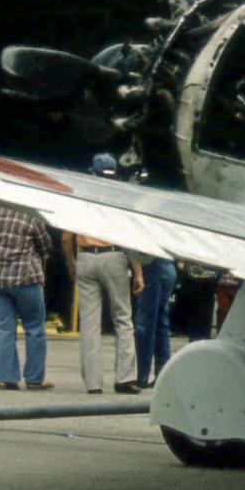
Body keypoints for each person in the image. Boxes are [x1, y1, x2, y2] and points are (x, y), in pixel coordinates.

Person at [64, 153, 143, 394]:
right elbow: (130, 239)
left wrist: (72, 264)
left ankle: (93, 383)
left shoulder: (80, 199)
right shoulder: (118, 199)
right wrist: (138, 271)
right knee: (122, 317)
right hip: (113, 255)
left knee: (89, 323)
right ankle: (125, 378)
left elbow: (66, 238)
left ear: (92, 173)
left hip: (86, 257)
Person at [0, 202, 53, 390]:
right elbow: (46, 247)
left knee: (3, 328)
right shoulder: (33, 216)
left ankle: (4, 377)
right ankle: (34, 379)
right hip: (26, 279)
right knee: (34, 328)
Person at [132, 255, 177, 388]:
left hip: (151, 268)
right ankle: (163, 375)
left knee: (145, 325)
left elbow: (136, 246)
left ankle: (142, 376)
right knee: (161, 323)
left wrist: (138, 273)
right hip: (168, 266)